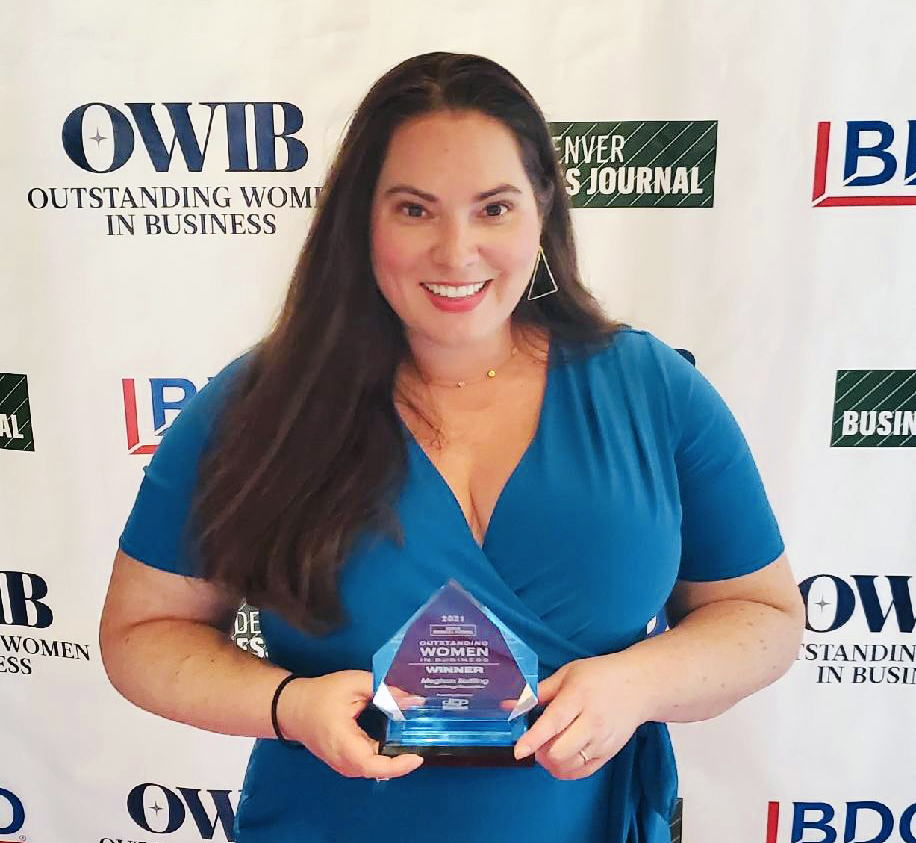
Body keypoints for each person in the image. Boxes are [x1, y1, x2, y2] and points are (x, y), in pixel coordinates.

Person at [99, 52, 805, 843]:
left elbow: (763, 614)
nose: (456, 251)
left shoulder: (652, 390)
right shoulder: (261, 404)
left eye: (493, 208)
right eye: (415, 209)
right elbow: (140, 633)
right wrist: (287, 704)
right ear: (361, 219)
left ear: (543, 208)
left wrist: (640, 681)